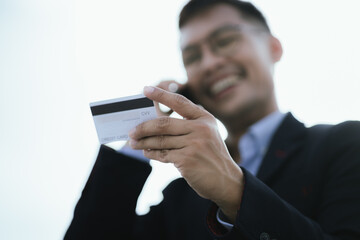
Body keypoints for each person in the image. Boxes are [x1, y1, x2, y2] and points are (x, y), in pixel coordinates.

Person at [64, 0, 360, 239]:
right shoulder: (181, 195)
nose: (209, 63)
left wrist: (234, 191)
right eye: (192, 57)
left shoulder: (343, 145)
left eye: (226, 41)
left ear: (273, 48)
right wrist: (141, 134)